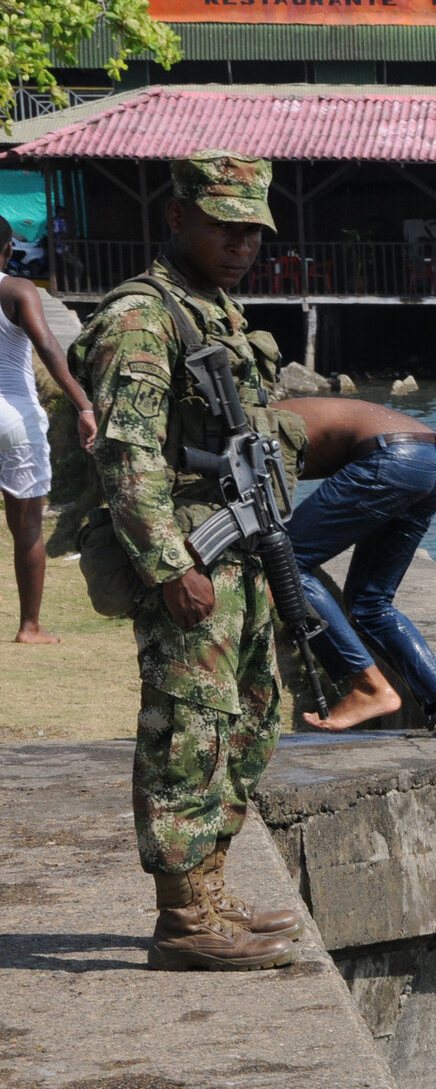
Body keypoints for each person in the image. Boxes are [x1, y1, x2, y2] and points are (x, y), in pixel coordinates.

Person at [70, 149, 303, 971]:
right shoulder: (143, 317)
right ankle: (180, 918)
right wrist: (172, 568)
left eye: (253, 232)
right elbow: (127, 457)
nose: (242, 245)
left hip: (240, 551)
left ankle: (210, 887)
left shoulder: (216, 311)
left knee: (247, 718)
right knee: (185, 728)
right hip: (192, 559)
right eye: (224, 227)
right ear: (177, 218)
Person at [276, 395, 436, 740]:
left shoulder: (236, 426)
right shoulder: (270, 409)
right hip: (433, 459)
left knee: (287, 561)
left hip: (390, 457)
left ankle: (368, 686)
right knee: (369, 603)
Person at [2, 216, 98, 644]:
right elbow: (48, 345)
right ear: (7, 250)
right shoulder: (18, 290)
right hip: (15, 417)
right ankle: (30, 626)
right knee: (28, 529)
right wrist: (83, 404)